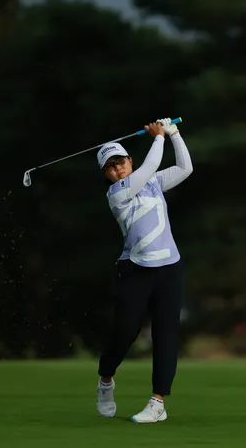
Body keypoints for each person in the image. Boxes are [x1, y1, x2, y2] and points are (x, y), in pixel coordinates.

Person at [95, 118, 193, 423]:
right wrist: (159, 137)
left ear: (129, 160)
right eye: (110, 167)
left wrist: (174, 134)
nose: (117, 169)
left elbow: (185, 168)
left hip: (170, 269)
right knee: (125, 330)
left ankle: (158, 402)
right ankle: (106, 379)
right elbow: (150, 166)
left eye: (120, 162)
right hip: (137, 270)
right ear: (106, 174)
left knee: (166, 336)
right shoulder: (117, 194)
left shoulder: (152, 182)